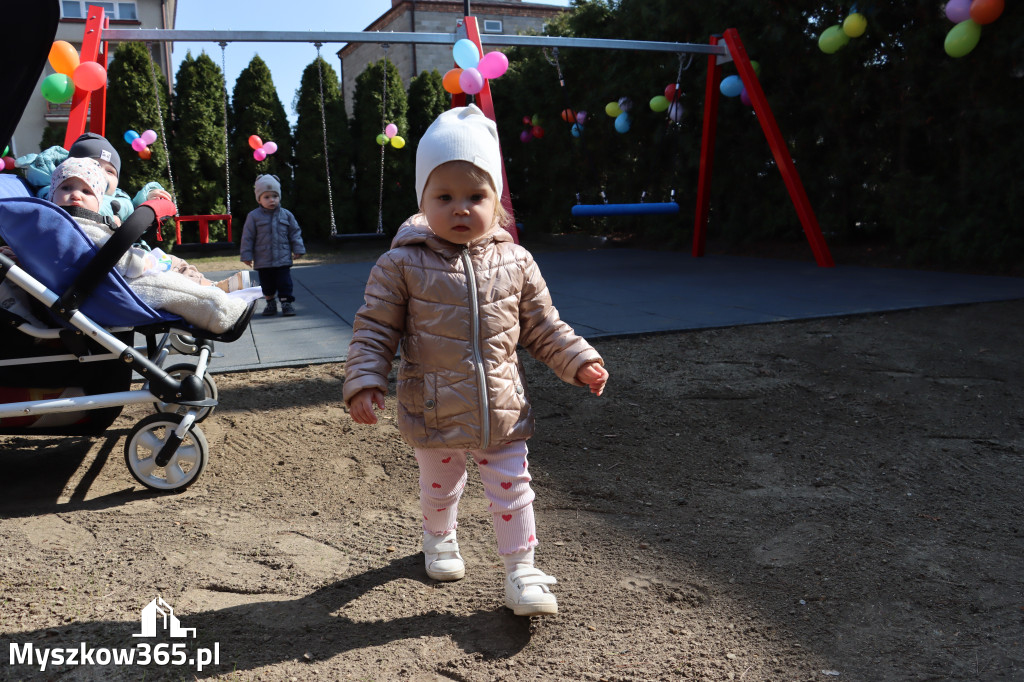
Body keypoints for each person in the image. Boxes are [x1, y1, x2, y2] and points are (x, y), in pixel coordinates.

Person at [343, 105, 610, 617]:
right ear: (422, 200)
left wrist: (578, 359)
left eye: (476, 196)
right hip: (434, 409)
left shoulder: (517, 261)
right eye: (445, 197)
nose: (461, 208)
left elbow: (543, 325)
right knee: (441, 487)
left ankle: (522, 572)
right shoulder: (401, 264)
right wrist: (364, 380)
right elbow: (375, 328)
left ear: (497, 201)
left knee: (513, 490)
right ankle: (439, 537)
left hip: (502, 407)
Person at [48, 157, 249, 335]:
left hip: (96, 284)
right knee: (172, 289)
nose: (76, 195)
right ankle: (221, 313)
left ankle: (217, 297)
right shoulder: (73, 225)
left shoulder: (64, 223)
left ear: (99, 201)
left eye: (86, 191)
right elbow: (117, 257)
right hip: (105, 290)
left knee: (172, 279)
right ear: (51, 194)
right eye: (66, 188)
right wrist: (139, 260)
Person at [240, 174, 305, 317]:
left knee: (285, 282)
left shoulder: (286, 215)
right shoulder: (254, 216)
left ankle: (286, 303)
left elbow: (294, 232)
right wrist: (246, 255)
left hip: (282, 258)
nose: (271, 200)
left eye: (275, 196)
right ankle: (270, 303)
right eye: (267, 197)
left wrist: (298, 248)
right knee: (267, 284)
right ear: (259, 199)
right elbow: (248, 237)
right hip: (263, 260)